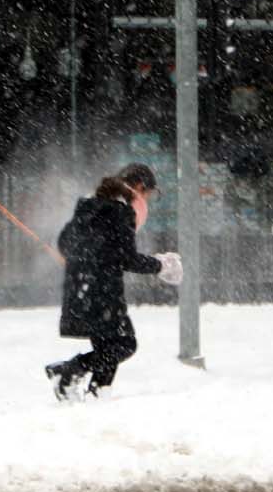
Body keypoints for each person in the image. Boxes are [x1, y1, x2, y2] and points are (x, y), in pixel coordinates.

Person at [49, 162, 180, 400]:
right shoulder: (121, 211)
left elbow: (64, 243)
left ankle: (98, 393)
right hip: (102, 289)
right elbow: (126, 259)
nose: (146, 203)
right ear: (139, 188)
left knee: (107, 346)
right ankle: (68, 370)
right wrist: (160, 265)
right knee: (125, 343)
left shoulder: (90, 206)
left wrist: (85, 258)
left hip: (81, 286)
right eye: (148, 196)